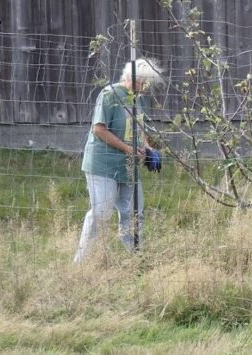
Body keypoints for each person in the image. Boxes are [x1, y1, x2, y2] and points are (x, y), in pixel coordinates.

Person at [74, 58, 163, 263]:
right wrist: (128, 149)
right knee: (100, 214)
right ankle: (81, 263)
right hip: (102, 164)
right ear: (132, 78)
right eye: (144, 82)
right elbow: (99, 129)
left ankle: (136, 261)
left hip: (128, 166)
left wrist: (148, 149)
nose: (146, 87)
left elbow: (139, 129)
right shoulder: (109, 95)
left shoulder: (138, 99)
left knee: (134, 213)